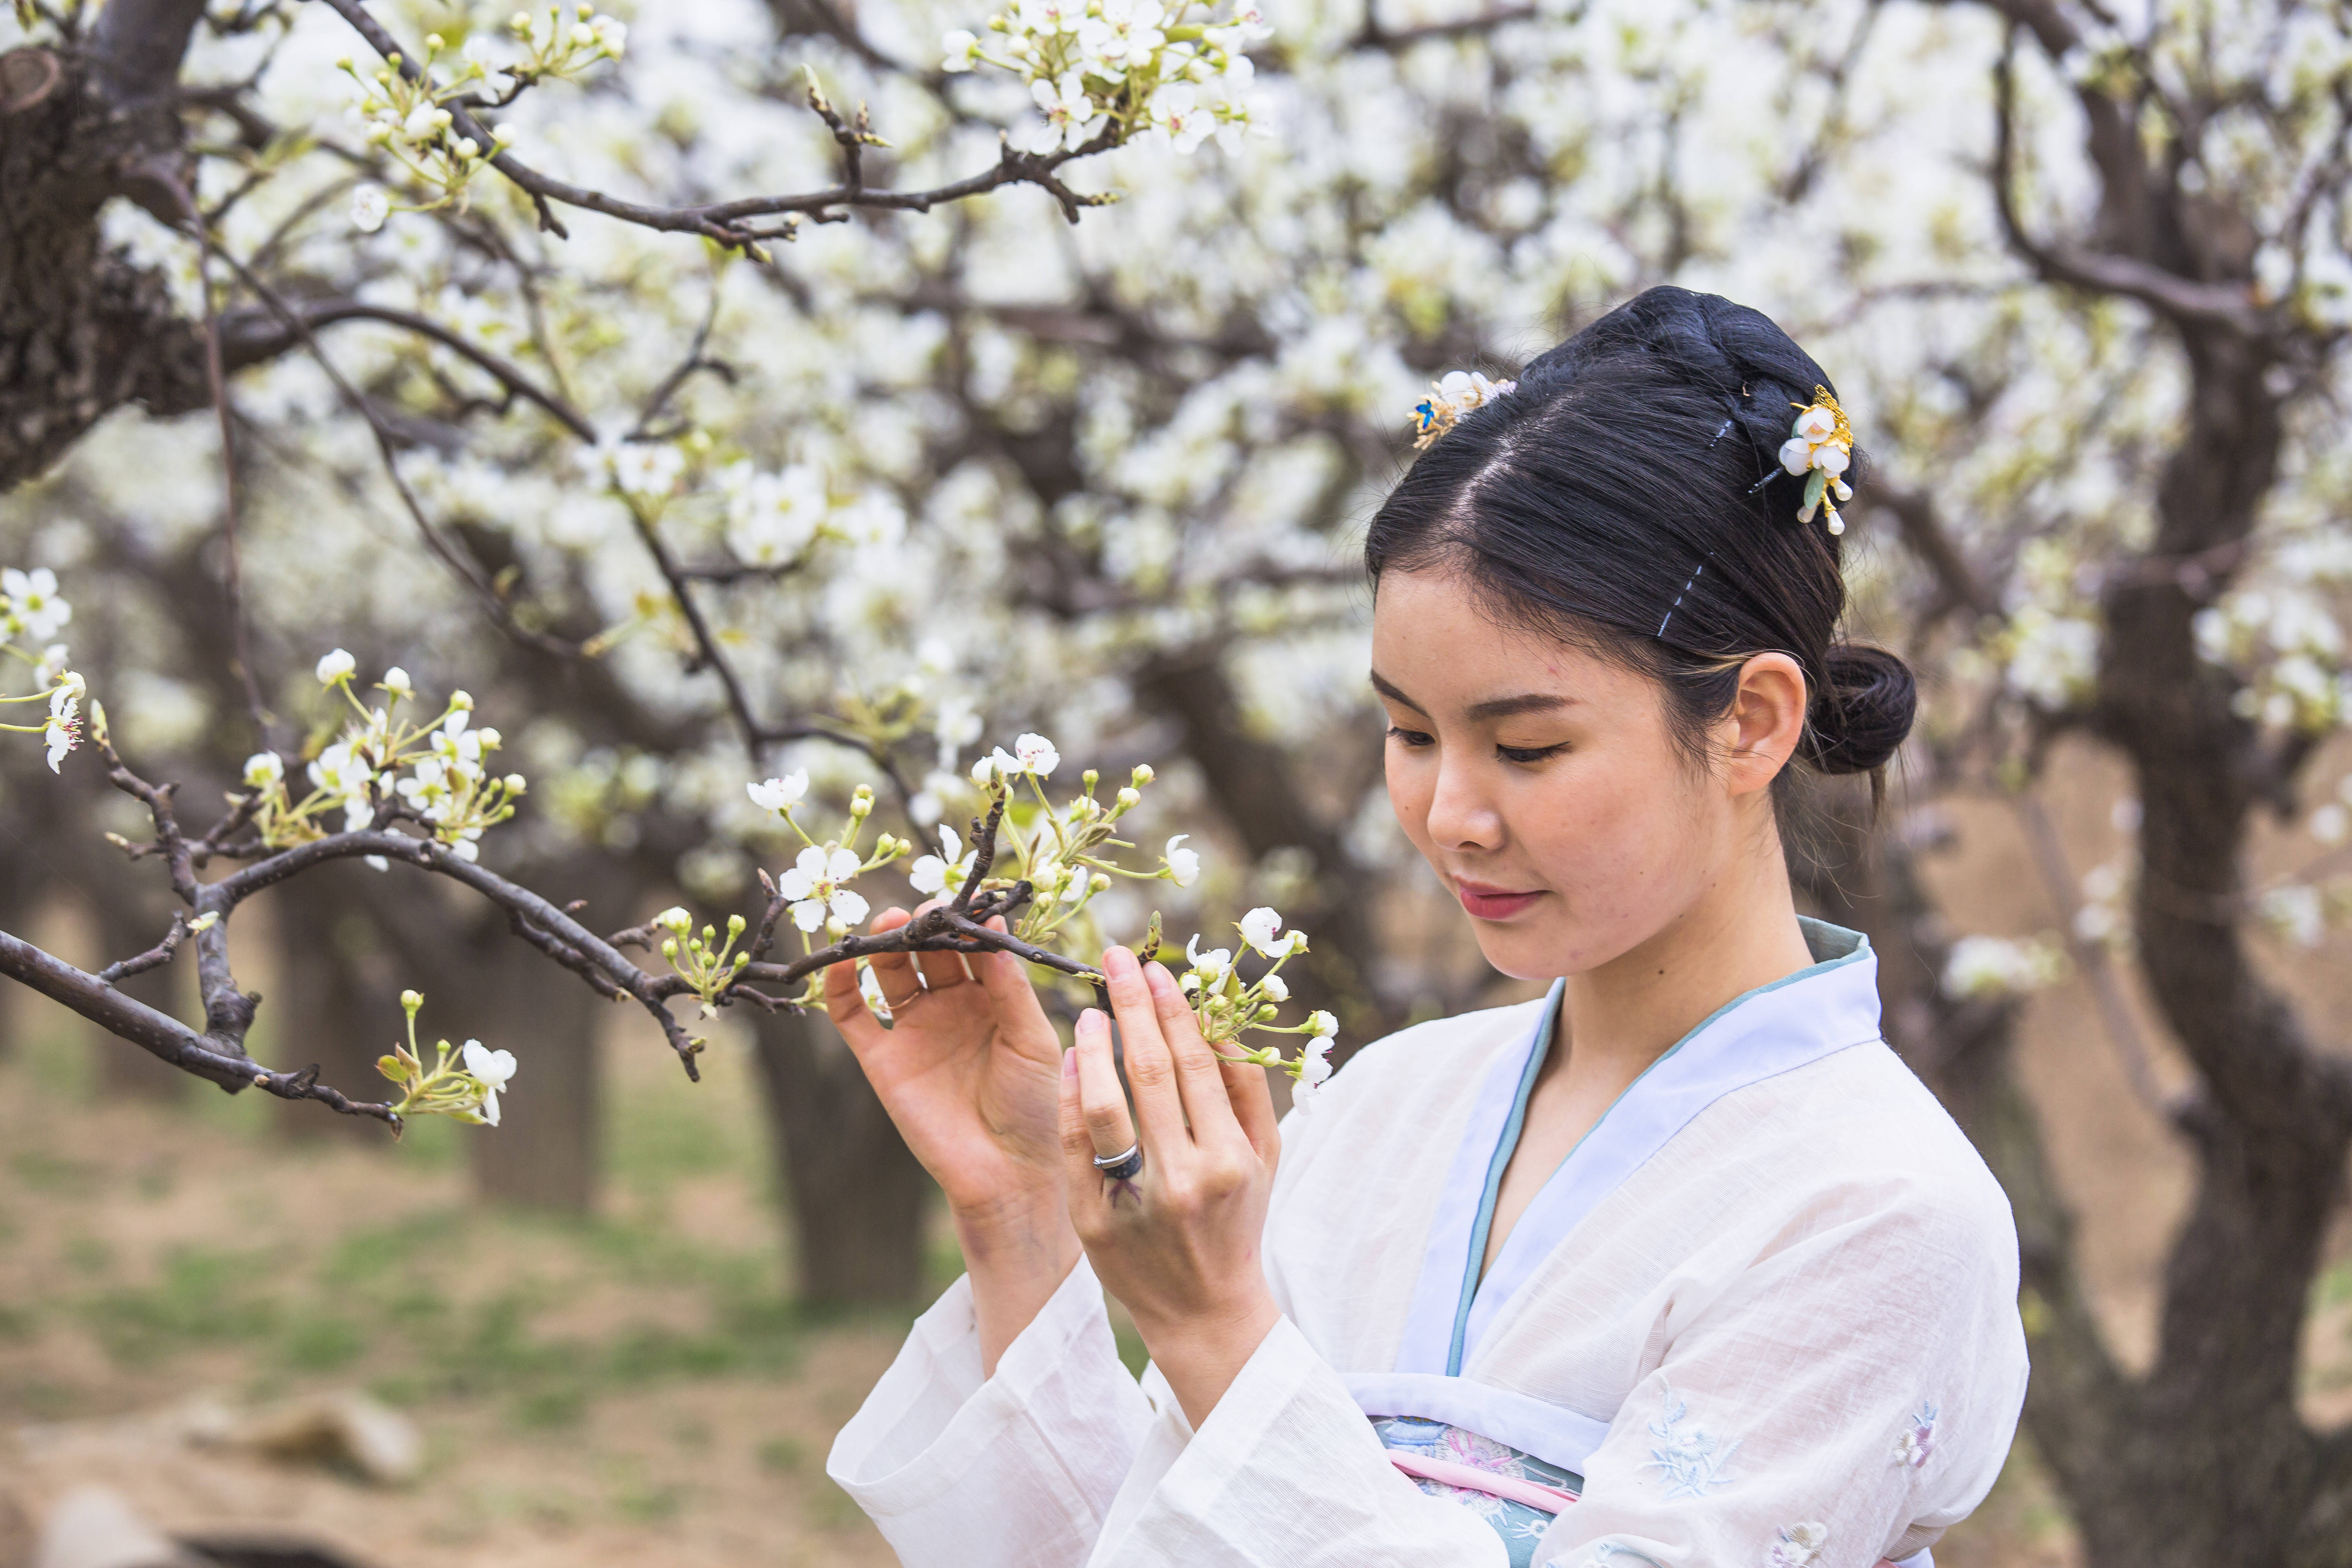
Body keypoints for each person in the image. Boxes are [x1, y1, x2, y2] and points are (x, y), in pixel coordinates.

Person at [822, 286, 2029, 1567]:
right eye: (1408, 733)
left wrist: (1221, 1332)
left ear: (1751, 721)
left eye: (1527, 744)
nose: (1451, 814)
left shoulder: (1877, 1208)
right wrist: (1020, 1216)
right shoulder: (1384, 1106)